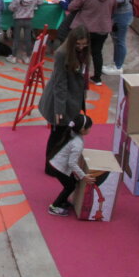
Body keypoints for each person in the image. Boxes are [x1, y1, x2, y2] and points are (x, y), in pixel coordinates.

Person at [38, 27, 91, 174]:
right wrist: (59, 109)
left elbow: (85, 74)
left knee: (66, 132)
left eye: (84, 44)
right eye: (78, 44)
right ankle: (49, 167)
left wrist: (84, 94)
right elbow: (59, 82)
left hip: (74, 98)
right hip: (60, 100)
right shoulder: (62, 54)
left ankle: (61, 162)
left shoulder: (84, 52)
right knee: (57, 134)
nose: (81, 47)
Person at [67, 0, 114, 86]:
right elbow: (114, 9)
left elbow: (72, 7)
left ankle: (78, 74)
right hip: (103, 28)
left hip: (85, 28)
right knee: (97, 52)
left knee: (80, 51)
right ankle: (97, 77)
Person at [46, 113, 95, 216]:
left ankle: (63, 201)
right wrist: (83, 176)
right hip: (59, 167)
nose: (90, 129)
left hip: (57, 163)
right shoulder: (77, 143)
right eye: (89, 128)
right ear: (82, 130)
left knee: (72, 181)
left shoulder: (72, 133)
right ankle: (54, 206)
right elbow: (72, 163)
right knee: (70, 186)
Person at [102, 0, 135, 75]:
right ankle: (116, 62)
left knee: (120, 40)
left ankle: (118, 65)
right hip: (115, 14)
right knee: (116, 40)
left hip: (122, 14)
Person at [7, 0, 42, 64]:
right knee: (28, 39)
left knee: (16, 39)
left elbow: (11, 8)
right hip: (28, 20)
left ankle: (14, 56)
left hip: (18, 20)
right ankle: (27, 57)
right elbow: (41, 1)